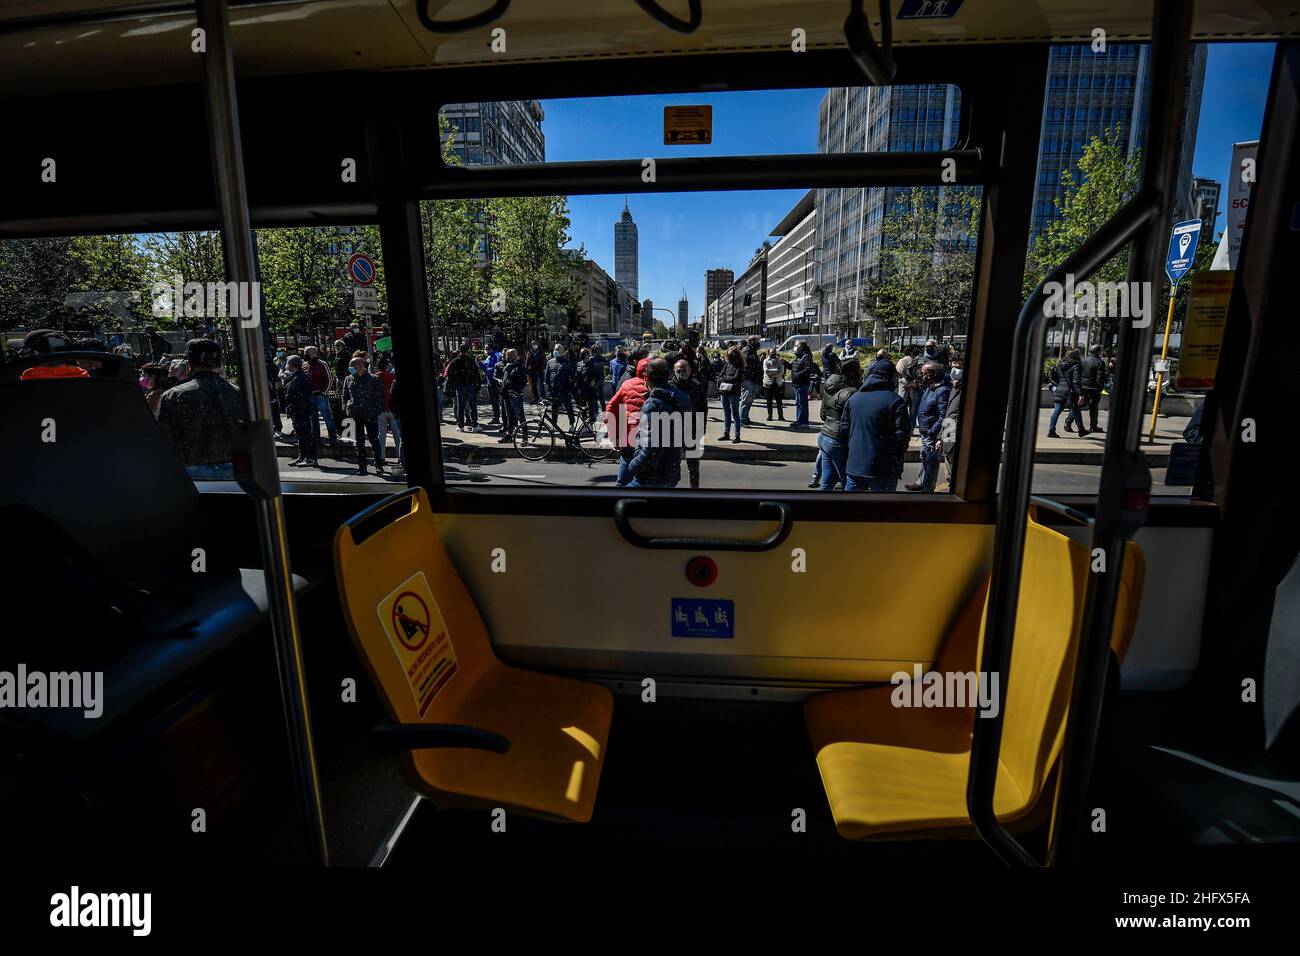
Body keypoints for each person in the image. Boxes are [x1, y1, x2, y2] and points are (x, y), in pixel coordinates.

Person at [156, 338, 244, 480]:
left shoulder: (173, 395)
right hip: (234, 468)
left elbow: (164, 439)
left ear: (189, 365)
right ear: (220, 364)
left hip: (191, 468)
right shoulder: (239, 394)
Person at [840, 360, 909, 492]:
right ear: (890, 377)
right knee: (882, 510)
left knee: (849, 510)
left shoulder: (854, 399)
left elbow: (843, 431)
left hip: (855, 466)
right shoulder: (895, 401)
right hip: (884, 468)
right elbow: (902, 437)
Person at [622, 358, 691, 489]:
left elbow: (651, 448)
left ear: (645, 377)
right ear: (670, 375)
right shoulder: (682, 398)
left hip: (651, 476)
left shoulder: (653, 404)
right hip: (671, 470)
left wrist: (632, 466)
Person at [816, 358, 862, 491]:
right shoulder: (851, 392)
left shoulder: (829, 386)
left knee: (827, 482)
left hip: (825, 435)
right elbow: (853, 420)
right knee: (849, 480)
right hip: (838, 439)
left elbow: (823, 415)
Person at [906, 361, 952, 493]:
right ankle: (921, 482)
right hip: (926, 432)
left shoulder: (943, 390)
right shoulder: (931, 386)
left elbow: (943, 416)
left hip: (932, 433)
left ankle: (927, 488)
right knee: (925, 457)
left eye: (925, 373)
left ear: (934, 374)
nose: (922, 376)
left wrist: (932, 432)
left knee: (931, 461)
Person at [606, 357, 650, 485]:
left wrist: (614, 437)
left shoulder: (627, 384)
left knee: (623, 478)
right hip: (650, 440)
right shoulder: (659, 388)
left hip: (629, 438)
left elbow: (610, 409)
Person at [342, 354, 386, 475]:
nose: (350, 367)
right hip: (355, 414)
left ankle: (378, 465)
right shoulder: (349, 379)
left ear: (360, 365)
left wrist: (375, 411)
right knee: (359, 442)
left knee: (374, 440)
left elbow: (381, 397)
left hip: (370, 414)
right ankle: (362, 467)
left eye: (352, 365)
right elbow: (345, 396)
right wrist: (346, 410)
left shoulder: (374, 379)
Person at [674, 357, 707, 489]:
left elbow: (703, 409)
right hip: (673, 431)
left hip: (692, 430)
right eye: (679, 370)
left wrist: (701, 428)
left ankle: (694, 490)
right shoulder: (670, 387)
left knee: (693, 465)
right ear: (674, 371)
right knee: (671, 464)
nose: (681, 372)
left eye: (684, 370)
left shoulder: (696, 386)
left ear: (690, 371)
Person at [283, 354, 318, 467]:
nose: (287, 365)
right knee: (300, 435)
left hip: (300, 412)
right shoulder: (294, 376)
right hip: (296, 411)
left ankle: (311, 458)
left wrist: (300, 410)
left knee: (306, 435)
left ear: (293, 365)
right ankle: (302, 456)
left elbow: (303, 397)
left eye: (288, 363)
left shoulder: (300, 378)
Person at [1047, 349, 1088, 438]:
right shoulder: (1076, 366)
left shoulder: (1059, 364)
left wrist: (1055, 384)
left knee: (1057, 411)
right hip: (1071, 392)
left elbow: (1051, 374)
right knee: (1076, 410)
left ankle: (1051, 430)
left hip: (1060, 390)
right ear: (1076, 356)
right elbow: (1076, 381)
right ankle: (1081, 430)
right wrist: (1080, 394)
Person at [301, 345, 337, 447]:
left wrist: (323, 393)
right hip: (310, 396)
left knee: (327, 417)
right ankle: (316, 439)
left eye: (308, 352)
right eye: (305, 351)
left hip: (320, 395)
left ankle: (333, 438)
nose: (306, 353)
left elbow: (329, 380)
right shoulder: (305, 365)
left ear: (314, 353)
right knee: (313, 419)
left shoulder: (322, 364)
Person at [445, 342, 482, 432]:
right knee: (472, 405)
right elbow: (476, 373)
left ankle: (460, 425)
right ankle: (475, 425)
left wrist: (454, 383)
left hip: (460, 385)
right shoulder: (470, 360)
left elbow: (449, 374)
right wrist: (477, 384)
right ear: (468, 350)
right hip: (469, 384)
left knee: (460, 405)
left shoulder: (454, 361)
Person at [374, 356, 402, 472]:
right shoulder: (392, 377)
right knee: (397, 435)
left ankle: (381, 457)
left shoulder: (375, 377)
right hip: (392, 409)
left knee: (382, 435)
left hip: (380, 409)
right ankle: (400, 457)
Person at [497, 348, 528, 443]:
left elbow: (523, 382)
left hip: (515, 396)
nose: (506, 357)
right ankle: (509, 435)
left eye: (509, 355)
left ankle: (525, 437)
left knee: (520, 416)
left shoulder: (519, 366)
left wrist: (515, 391)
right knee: (509, 416)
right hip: (506, 395)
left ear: (515, 356)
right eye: (506, 355)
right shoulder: (508, 365)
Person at [717, 346, 745, 443]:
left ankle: (737, 435)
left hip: (733, 393)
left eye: (731, 354)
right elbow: (720, 376)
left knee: (735, 414)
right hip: (724, 392)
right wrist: (727, 378)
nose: (729, 356)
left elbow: (736, 378)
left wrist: (725, 378)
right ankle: (726, 433)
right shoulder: (727, 364)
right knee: (726, 414)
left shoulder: (739, 366)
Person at [544, 344, 576, 430]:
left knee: (569, 408)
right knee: (554, 409)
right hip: (554, 390)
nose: (556, 351)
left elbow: (572, 376)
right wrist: (549, 390)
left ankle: (571, 425)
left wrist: (570, 387)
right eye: (555, 349)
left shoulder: (567, 362)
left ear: (562, 352)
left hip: (565, 389)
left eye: (558, 350)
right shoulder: (550, 362)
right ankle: (553, 425)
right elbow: (547, 378)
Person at [790, 340, 818, 428]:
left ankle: (803, 422)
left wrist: (798, 375)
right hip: (797, 383)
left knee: (802, 403)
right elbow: (794, 367)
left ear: (801, 346)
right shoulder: (799, 356)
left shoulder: (806, 356)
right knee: (799, 403)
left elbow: (808, 368)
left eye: (796, 345)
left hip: (802, 383)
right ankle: (799, 420)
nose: (795, 346)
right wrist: (785, 363)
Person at [1080, 344, 1106, 433]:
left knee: (1079, 405)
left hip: (1083, 386)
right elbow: (1100, 377)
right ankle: (1093, 426)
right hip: (1094, 388)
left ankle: (1068, 423)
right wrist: (1100, 388)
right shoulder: (1099, 362)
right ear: (1098, 351)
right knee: (1094, 407)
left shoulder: (1083, 360)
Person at [896, 345, 923, 429]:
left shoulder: (902, 360)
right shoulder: (913, 360)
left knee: (901, 404)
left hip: (904, 384)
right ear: (911, 352)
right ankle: (911, 425)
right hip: (913, 385)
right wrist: (911, 382)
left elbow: (899, 370)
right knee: (913, 407)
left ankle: (899, 423)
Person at [740, 335, 762, 425]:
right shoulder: (747, 350)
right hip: (747, 379)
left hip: (752, 378)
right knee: (745, 399)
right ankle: (742, 419)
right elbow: (743, 364)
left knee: (750, 399)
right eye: (757, 341)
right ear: (752, 341)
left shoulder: (752, 350)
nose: (758, 343)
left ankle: (745, 417)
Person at [762, 347, 790, 421]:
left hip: (778, 383)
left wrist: (773, 373)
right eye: (771, 353)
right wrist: (776, 370)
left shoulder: (780, 361)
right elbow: (766, 371)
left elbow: (781, 372)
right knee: (769, 402)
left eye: (774, 353)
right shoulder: (765, 361)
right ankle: (770, 416)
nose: (773, 354)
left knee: (779, 401)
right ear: (769, 353)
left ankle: (780, 416)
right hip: (768, 383)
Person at [480, 342, 502, 427]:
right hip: (490, 381)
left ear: (491, 349)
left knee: (499, 401)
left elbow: (494, 369)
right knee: (493, 400)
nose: (485, 350)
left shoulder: (497, 355)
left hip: (496, 382)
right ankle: (496, 417)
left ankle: (504, 418)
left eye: (487, 349)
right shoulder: (488, 358)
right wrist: (480, 364)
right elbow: (486, 369)